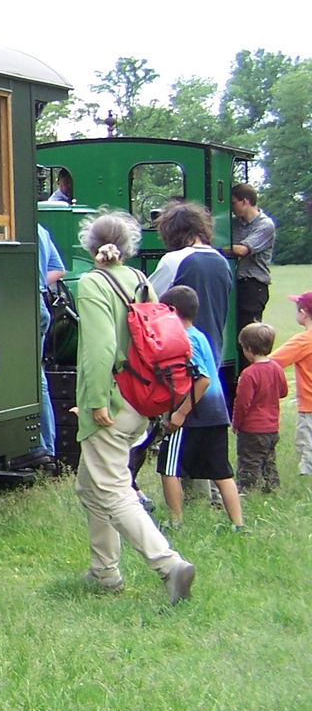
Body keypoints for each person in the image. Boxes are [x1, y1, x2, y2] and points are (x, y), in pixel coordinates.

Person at [74, 210, 195, 602]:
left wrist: (94, 401)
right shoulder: (140, 280)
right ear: (128, 247)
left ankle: (169, 565)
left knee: (111, 489)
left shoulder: (93, 283)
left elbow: (98, 348)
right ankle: (103, 572)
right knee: (90, 486)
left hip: (110, 399)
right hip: (143, 398)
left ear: (89, 246)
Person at [152, 285, 244, 529]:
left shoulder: (183, 339)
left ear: (171, 310)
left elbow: (202, 379)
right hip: (216, 412)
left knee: (169, 468)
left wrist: (180, 413)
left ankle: (175, 522)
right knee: (221, 472)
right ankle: (238, 524)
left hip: (193, 413)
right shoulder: (200, 334)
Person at [147, 202, 231, 362]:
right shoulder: (222, 261)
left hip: (183, 353)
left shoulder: (174, 260)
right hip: (213, 352)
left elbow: (148, 299)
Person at [23, 222, 67, 466]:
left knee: (31, 376)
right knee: (37, 375)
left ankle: (38, 446)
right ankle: (46, 446)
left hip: (23, 302)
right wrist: (39, 282)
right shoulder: (39, 229)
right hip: (39, 301)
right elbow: (58, 270)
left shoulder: (21, 227)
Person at [233, 322, 288, 493]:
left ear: (248, 348)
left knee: (249, 462)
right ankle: (271, 489)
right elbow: (284, 392)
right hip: (272, 427)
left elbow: (242, 403)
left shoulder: (249, 374)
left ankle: (248, 491)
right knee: (268, 460)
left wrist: (236, 423)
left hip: (252, 428)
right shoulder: (276, 368)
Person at [269, 291, 312, 477]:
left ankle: (306, 478)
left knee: (308, 446)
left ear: (303, 312)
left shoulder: (303, 340)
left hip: (309, 406)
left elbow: (270, 362)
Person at [229, 183, 275, 328]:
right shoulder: (234, 223)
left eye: (233, 203)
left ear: (245, 201)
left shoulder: (265, 225)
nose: (231, 208)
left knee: (249, 331)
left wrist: (216, 248)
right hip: (236, 283)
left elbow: (243, 250)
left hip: (254, 285)